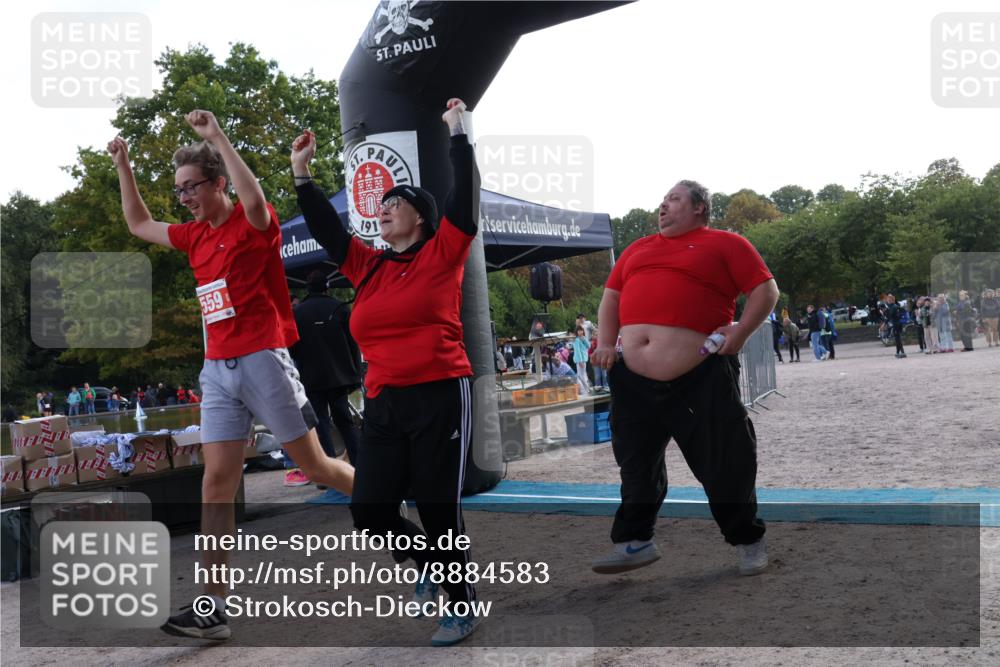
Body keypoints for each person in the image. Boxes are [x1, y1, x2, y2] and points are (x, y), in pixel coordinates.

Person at [108, 110, 354, 641]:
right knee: (215, 482)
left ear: (217, 183)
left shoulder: (252, 224)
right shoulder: (194, 238)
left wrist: (217, 135)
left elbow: (257, 200)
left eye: (191, 187)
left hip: (264, 359)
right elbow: (137, 224)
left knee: (316, 467)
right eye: (178, 191)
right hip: (216, 370)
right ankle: (211, 605)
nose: (185, 198)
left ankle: (384, 497)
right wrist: (124, 165)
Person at [291, 98, 480, 646]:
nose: (383, 208)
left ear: (420, 215)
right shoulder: (366, 265)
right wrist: (302, 172)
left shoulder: (444, 251)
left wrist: (457, 134)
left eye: (395, 202)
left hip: (442, 391)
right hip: (384, 402)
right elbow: (329, 231)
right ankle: (424, 562)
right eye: (382, 205)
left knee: (439, 508)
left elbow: (463, 200)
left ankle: (461, 605)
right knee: (370, 509)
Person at [590, 179, 778, 578]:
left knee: (726, 461)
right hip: (633, 379)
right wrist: (606, 342)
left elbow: (765, 291)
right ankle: (635, 542)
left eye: (673, 199)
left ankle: (748, 540)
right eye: (662, 200)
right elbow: (612, 299)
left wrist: (740, 332)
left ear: (699, 208)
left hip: (700, 375)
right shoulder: (637, 249)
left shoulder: (727, 243)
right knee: (635, 464)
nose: (663, 206)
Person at [288, 269, 363, 471]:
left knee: (320, 422)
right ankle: (358, 465)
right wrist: (356, 375)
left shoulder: (297, 313)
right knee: (345, 421)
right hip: (339, 376)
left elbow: (291, 347)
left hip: (311, 376)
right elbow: (353, 344)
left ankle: (328, 469)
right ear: (327, 288)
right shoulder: (340, 309)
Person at [572, 326, 592, 394]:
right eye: (579, 331)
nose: (580, 332)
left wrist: (584, 339)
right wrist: (580, 361)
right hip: (580, 360)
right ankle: (585, 390)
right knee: (581, 375)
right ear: (576, 332)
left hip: (584, 359)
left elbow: (589, 346)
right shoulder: (576, 340)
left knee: (582, 375)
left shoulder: (583, 338)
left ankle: (586, 390)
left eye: (581, 330)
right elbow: (577, 351)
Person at [885, 294, 906, 358]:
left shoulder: (893, 307)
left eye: (889, 299)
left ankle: (900, 352)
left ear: (892, 300)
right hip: (897, 323)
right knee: (898, 338)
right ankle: (900, 352)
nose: (887, 300)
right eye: (887, 299)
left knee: (897, 339)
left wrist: (885, 314)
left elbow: (890, 316)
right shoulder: (894, 306)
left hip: (896, 324)